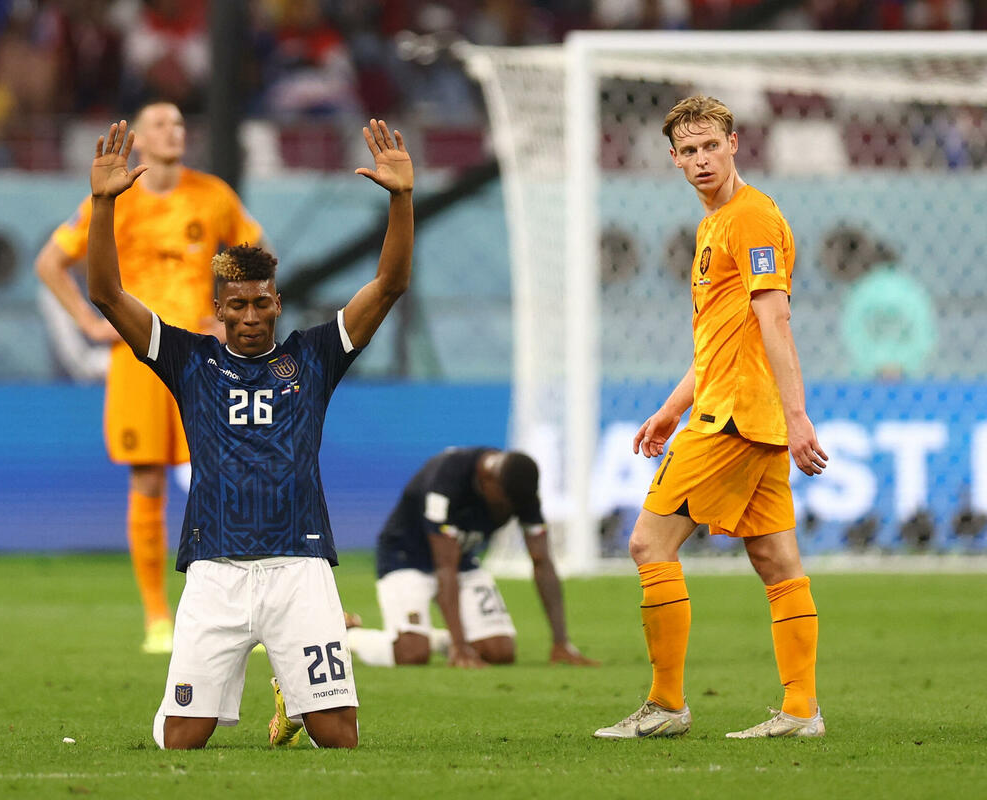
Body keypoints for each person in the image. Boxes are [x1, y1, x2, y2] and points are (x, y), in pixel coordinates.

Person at [85, 117, 413, 749]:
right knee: (182, 739)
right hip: (215, 566)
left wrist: (401, 199)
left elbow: (390, 284)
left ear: (278, 303)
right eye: (237, 304)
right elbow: (105, 293)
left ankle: (295, 695)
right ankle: (246, 687)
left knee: (339, 738)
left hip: (300, 563)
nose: (251, 315)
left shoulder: (314, 356)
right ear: (219, 309)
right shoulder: (189, 361)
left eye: (262, 302)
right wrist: (103, 205)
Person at [593, 95, 828, 740]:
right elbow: (720, 340)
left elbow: (775, 319)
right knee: (775, 559)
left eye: (710, 146)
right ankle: (801, 711)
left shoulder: (751, 218)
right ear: (674, 158)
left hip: (734, 417)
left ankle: (666, 705)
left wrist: (798, 416)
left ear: (734, 146)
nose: (701, 159)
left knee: (649, 544)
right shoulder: (714, 224)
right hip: (741, 412)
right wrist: (670, 410)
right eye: (688, 150)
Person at [35, 101, 264, 654]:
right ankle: (157, 618)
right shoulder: (117, 199)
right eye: (161, 124)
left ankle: (240, 616)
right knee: (148, 481)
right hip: (137, 358)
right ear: (138, 137)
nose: (174, 131)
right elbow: (50, 263)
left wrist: (230, 314)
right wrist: (88, 324)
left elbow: (257, 257)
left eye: (180, 123)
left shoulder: (212, 195)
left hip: (201, 359)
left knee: (225, 479)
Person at [345, 447, 599, 669]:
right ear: (488, 482)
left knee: (499, 653)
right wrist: (459, 646)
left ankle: (435, 639)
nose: (507, 510)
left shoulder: (517, 488)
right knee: (411, 654)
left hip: (461, 558)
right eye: (504, 503)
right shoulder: (446, 481)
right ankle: (350, 636)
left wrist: (561, 642)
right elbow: (445, 566)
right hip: (405, 558)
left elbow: (542, 560)